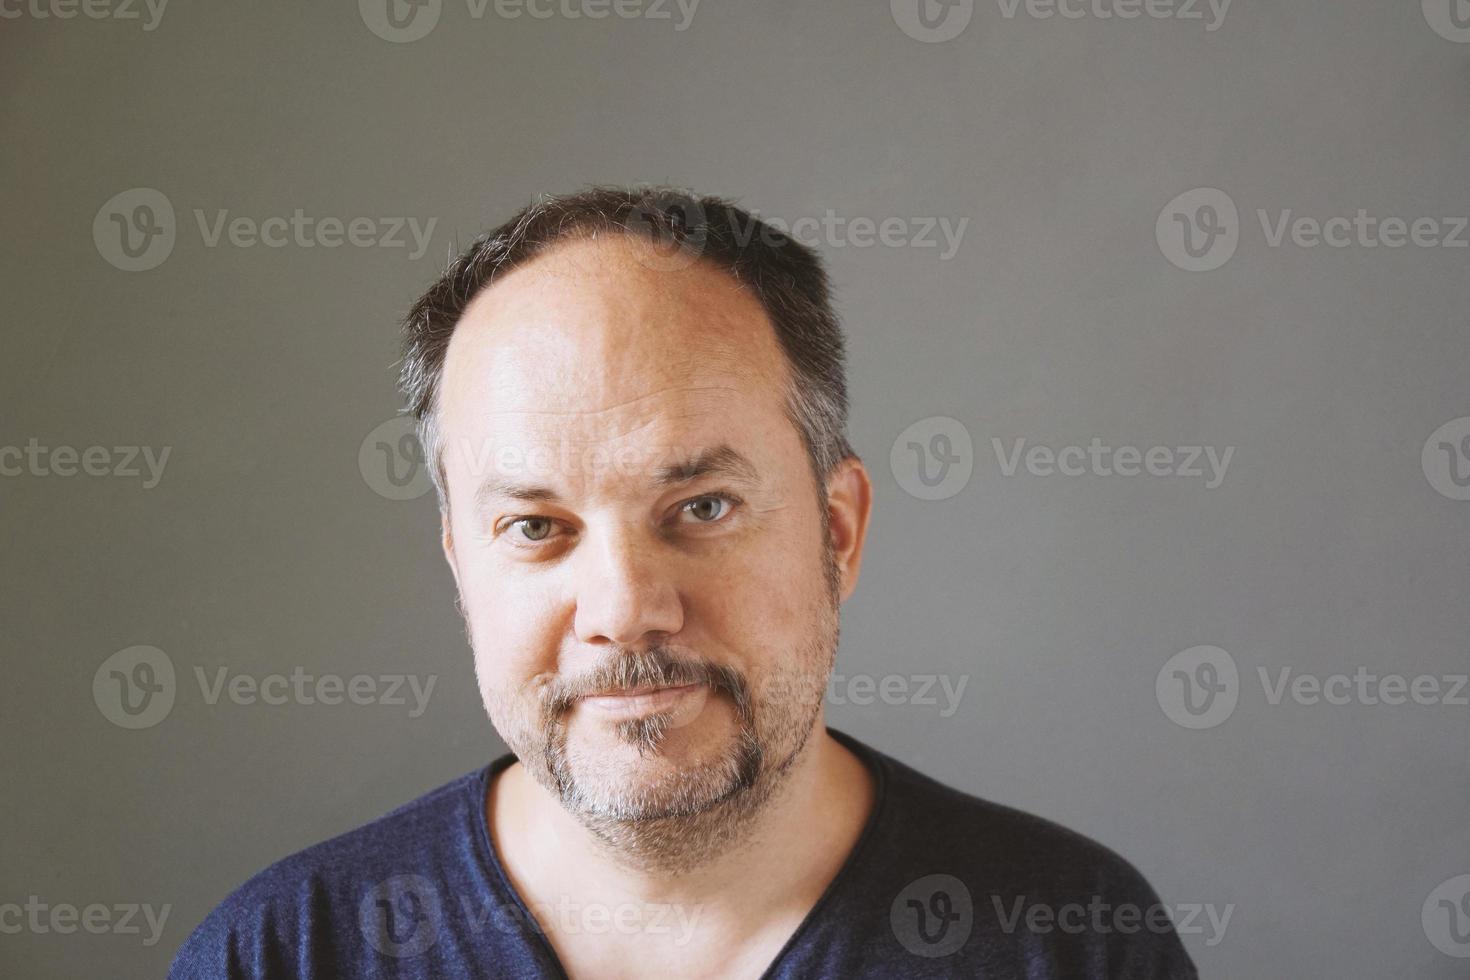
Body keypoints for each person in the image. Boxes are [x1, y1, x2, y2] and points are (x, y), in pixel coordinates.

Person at [170, 187, 1198, 978]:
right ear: (461, 565)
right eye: (537, 526)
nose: (624, 608)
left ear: (838, 530)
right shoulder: (281, 954)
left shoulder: (1069, 940)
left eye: (701, 506)